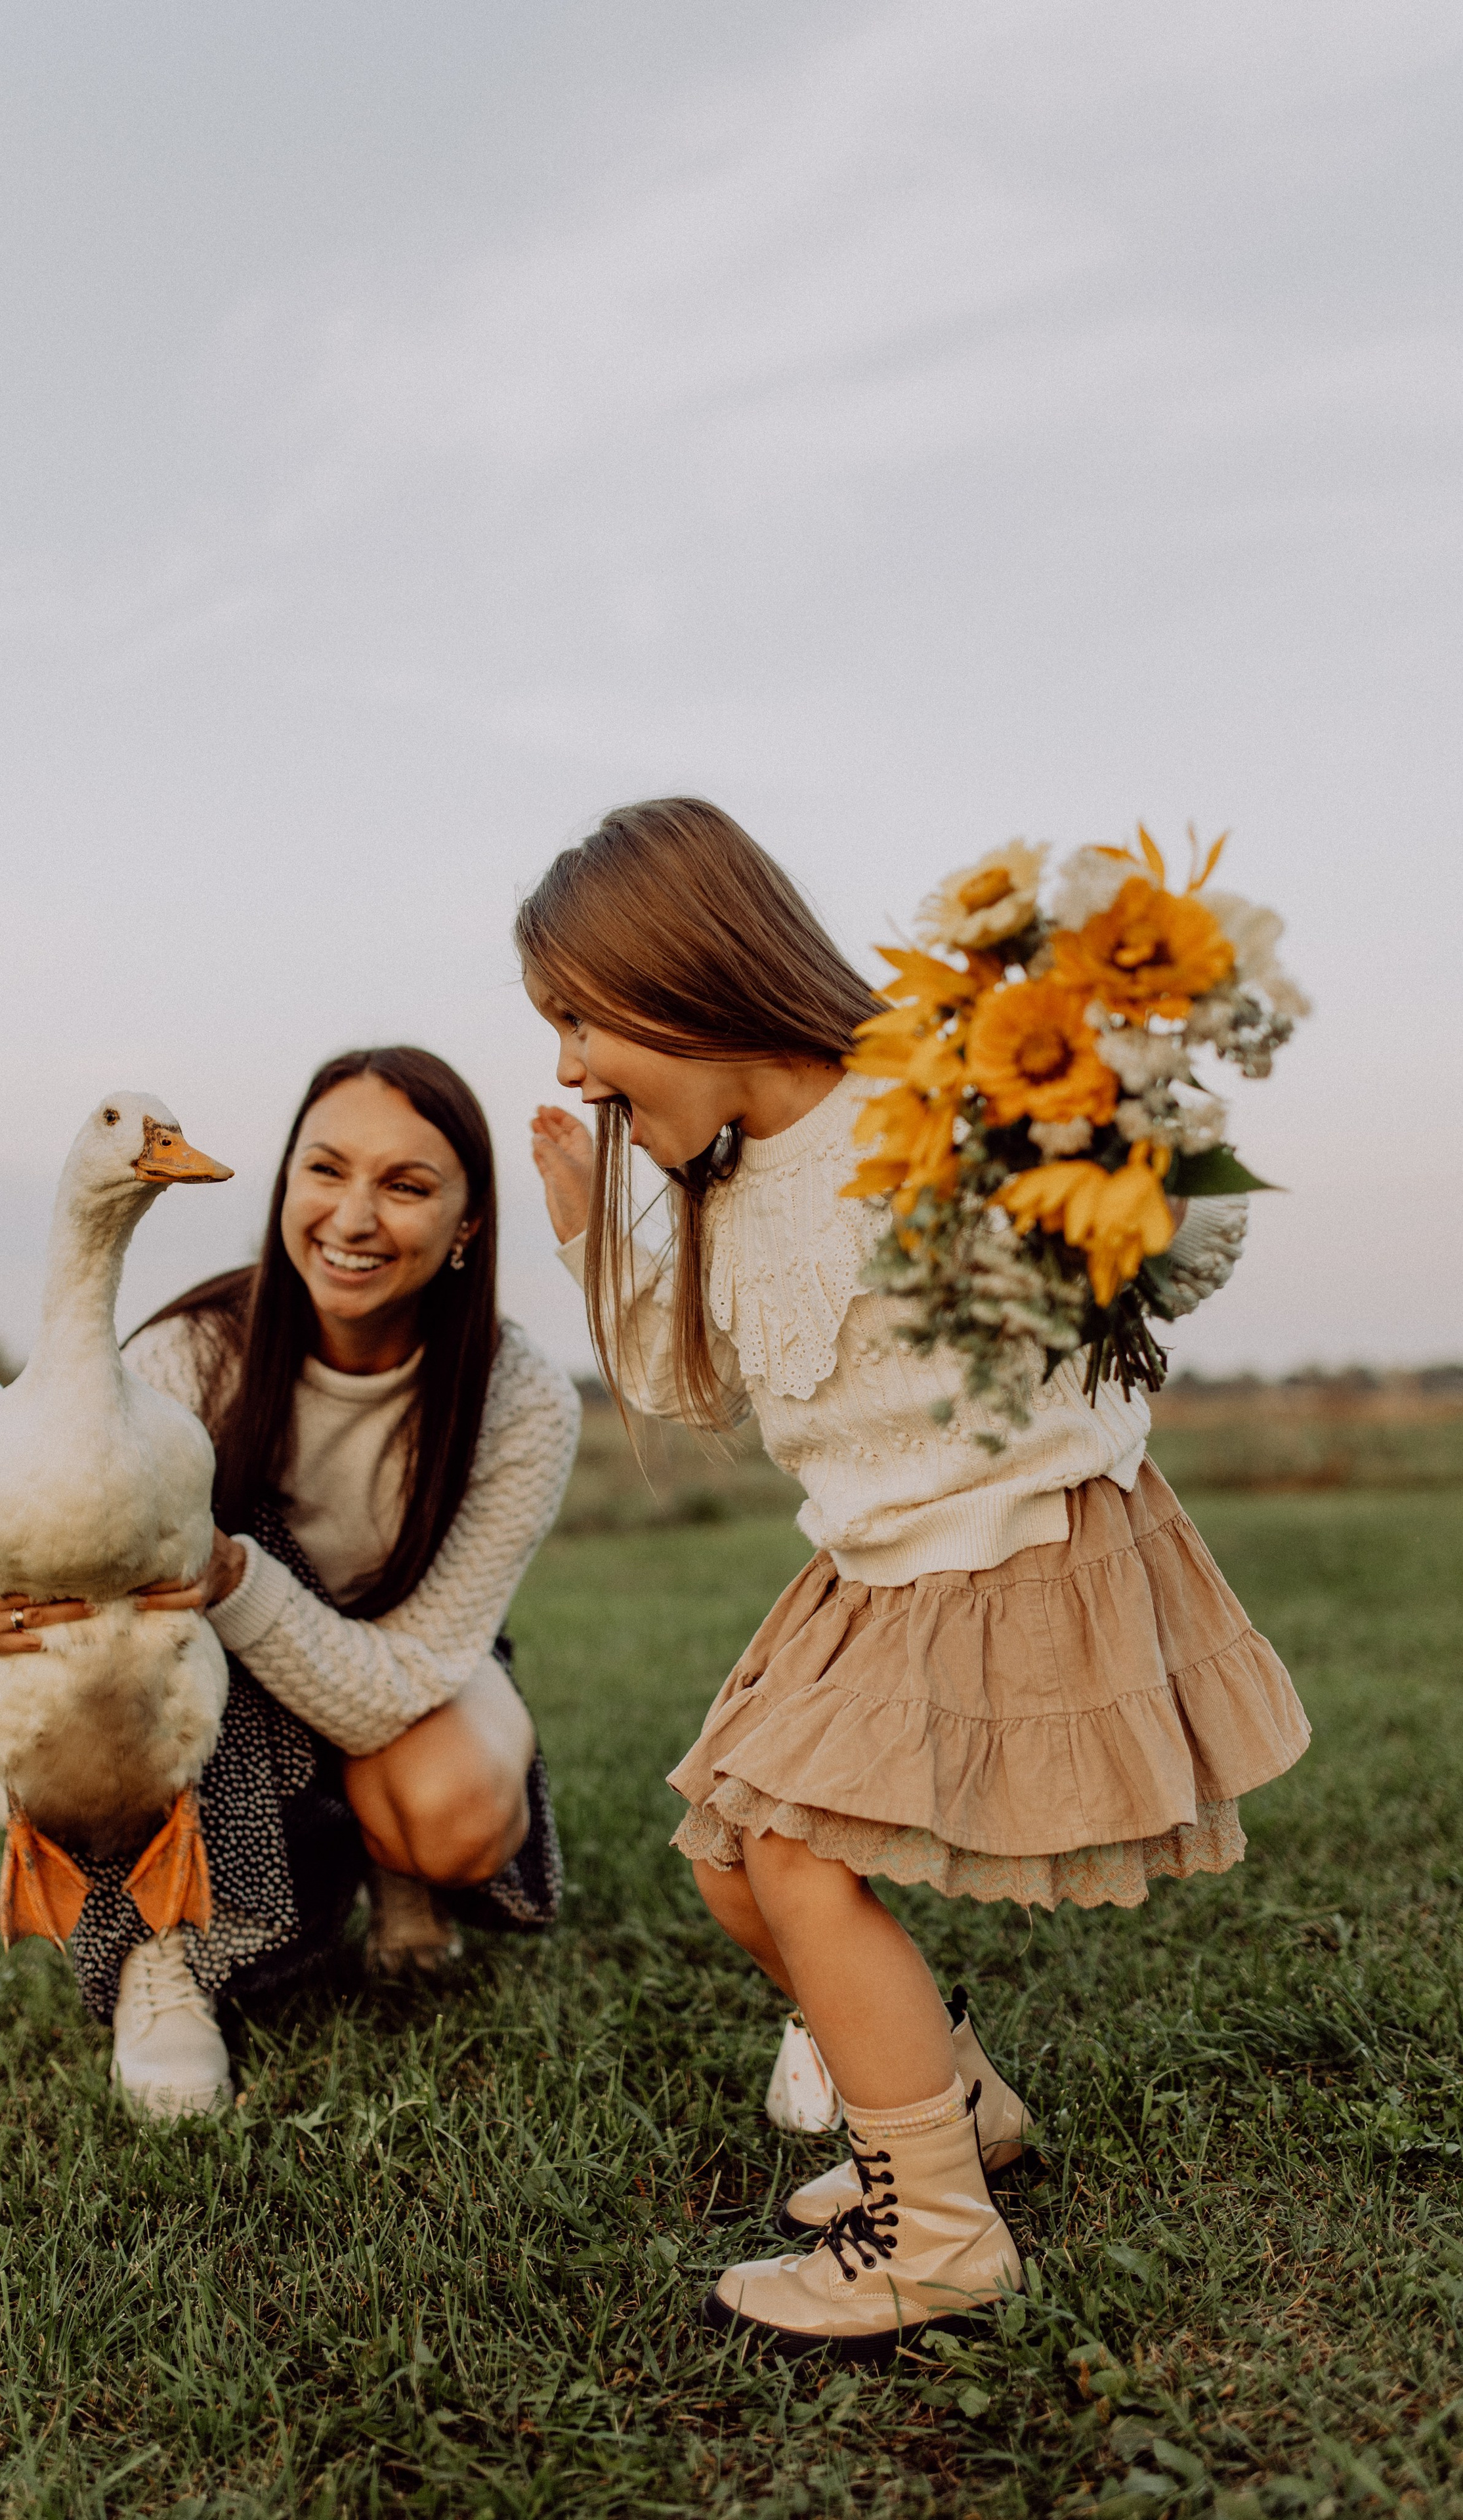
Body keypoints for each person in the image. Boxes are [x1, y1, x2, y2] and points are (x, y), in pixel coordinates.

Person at [519, 799, 1308, 2359]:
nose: (562, 1068)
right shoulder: (726, 1186)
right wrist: (587, 1240)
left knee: (800, 1864)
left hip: (1012, 1538)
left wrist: (1099, 1106)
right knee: (731, 1861)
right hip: (878, 1564)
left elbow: (1148, 1224)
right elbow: (694, 1393)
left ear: (681, 973)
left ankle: (933, 2233)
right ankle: (947, 2109)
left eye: (575, 1018)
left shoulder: (927, 1097)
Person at [0, 1047, 581, 2117]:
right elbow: (61, 1572)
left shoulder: (521, 1399)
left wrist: (233, 1576)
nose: (354, 1218)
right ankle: (161, 1959)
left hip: (405, 1668)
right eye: (327, 1171)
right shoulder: (186, 1357)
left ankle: (394, 1866)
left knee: (451, 1811)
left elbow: (412, 1667)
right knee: (133, 1696)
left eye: (406, 1186)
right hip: (210, 1672)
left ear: (468, 1225)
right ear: (285, 1188)